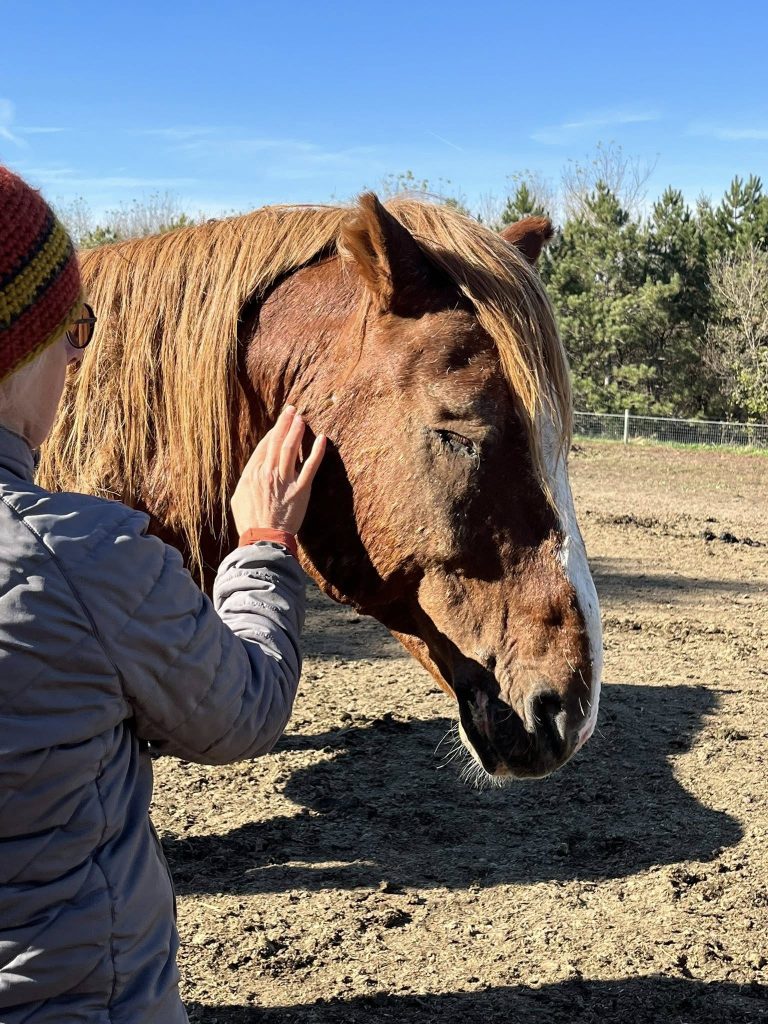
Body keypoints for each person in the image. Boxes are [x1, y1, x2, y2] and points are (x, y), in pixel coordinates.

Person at [0, 165, 326, 1023]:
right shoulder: (88, 558)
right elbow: (242, 707)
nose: (78, 356)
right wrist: (262, 546)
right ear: (17, 347)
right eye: (69, 330)